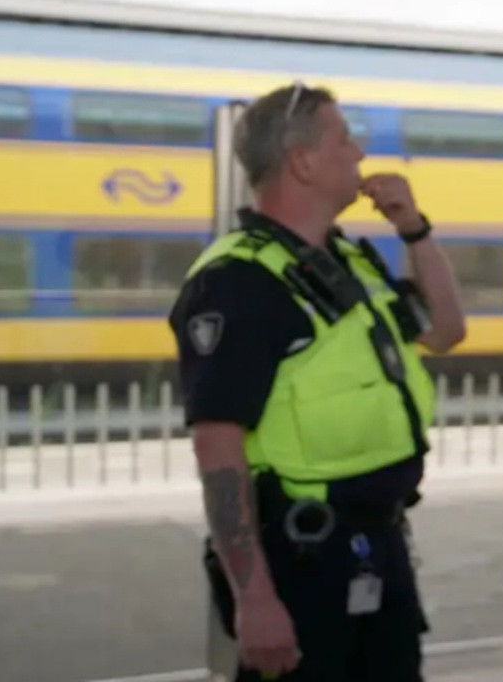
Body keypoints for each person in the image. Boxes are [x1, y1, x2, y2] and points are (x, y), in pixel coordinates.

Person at [169, 82, 465, 681]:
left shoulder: (346, 263)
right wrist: (254, 598)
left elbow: (446, 331)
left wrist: (414, 229)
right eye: (344, 138)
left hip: (376, 546)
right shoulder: (239, 281)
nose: (359, 154)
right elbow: (218, 448)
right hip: (298, 562)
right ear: (302, 162)